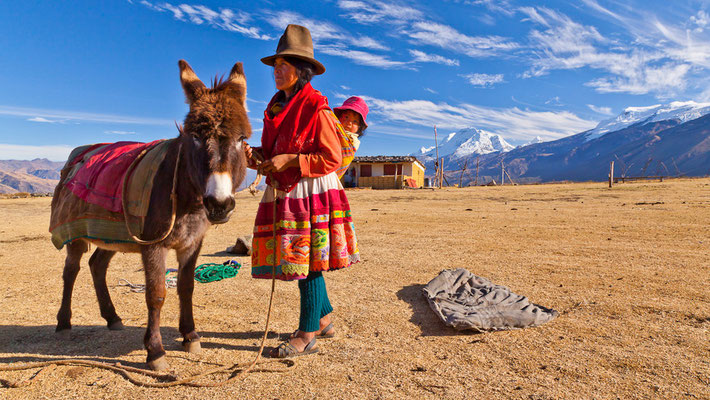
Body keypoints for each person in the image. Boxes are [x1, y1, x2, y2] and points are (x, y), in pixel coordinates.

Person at [243, 24, 360, 358]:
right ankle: (323, 319)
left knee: (306, 262)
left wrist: (289, 160)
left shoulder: (316, 107)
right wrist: (259, 158)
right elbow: (275, 151)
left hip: (312, 191)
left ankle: (307, 332)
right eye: (276, 66)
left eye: (285, 66)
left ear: (302, 70)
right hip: (287, 190)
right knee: (305, 259)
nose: (278, 72)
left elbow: (332, 157)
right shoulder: (277, 107)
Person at [333, 96, 368, 186]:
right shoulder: (332, 129)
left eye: (355, 121)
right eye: (346, 117)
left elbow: (345, 157)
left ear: (359, 128)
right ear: (339, 118)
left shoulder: (353, 140)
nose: (349, 123)